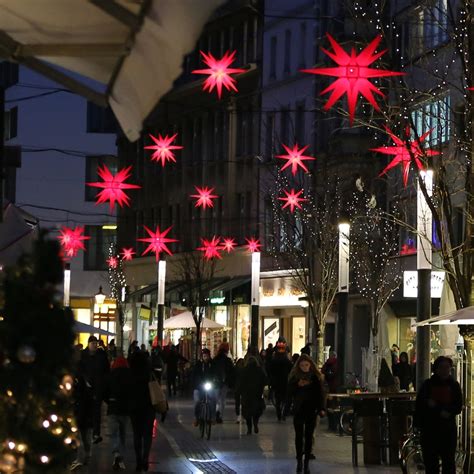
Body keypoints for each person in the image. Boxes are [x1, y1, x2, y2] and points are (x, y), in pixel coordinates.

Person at [414, 356, 462, 474]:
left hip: (447, 430)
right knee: (431, 463)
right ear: (436, 369)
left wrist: (443, 410)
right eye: (442, 367)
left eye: (447, 368)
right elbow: (420, 405)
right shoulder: (428, 385)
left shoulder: (454, 385)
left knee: (448, 462)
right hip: (430, 430)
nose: (445, 370)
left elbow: (458, 406)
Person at [287, 354, 326, 474]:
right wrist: (297, 386)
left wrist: (321, 408)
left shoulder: (315, 378)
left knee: (309, 436)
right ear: (298, 366)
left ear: (310, 365)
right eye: (302, 365)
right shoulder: (294, 378)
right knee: (299, 436)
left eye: (307, 365)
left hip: (311, 410)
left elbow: (320, 394)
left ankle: (306, 463)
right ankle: (299, 461)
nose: (304, 367)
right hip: (299, 410)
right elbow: (289, 393)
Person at [104, 355, 133, 471]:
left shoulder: (110, 375)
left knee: (113, 433)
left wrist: (109, 400)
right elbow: (132, 392)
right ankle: (120, 455)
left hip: (113, 408)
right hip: (125, 410)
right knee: (123, 433)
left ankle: (116, 453)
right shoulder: (130, 376)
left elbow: (104, 391)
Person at [79, 335, 110, 444]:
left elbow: (107, 370)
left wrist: (104, 382)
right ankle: (87, 433)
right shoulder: (83, 355)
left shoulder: (101, 355)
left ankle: (96, 434)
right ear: (89, 344)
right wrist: (85, 380)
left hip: (98, 387)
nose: (95, 346)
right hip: (85, 389)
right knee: (87, 411)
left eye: (96, 344)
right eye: (93, 344)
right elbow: (80, 369)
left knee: (97, 411)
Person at [129, 351, 155, 472]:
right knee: (147, 434)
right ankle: (145, 459)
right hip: (148, 407)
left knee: (137, 435)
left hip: (134, 407)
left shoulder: (130, 373)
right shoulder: (148, 373)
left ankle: (139, 460)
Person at [238, 355, 266, 435]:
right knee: (257, 410)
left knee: (247, 413)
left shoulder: (244, 370)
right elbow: (265, 380)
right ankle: (255, 422)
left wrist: (239, 392)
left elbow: (240, 382)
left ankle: (249, 428)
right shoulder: (259, 370)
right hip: (257, 394)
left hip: (246, 394)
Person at [191, 348, 216, 426]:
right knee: (197, 401)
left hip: (209, 385)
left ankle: (212, 418)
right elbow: (194, 375)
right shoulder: (198, 364)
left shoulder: (213, 364)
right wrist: (196, 383)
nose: (206, 357)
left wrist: (216, 380)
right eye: (204, 356)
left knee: (212, 400)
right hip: (199, 387)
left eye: (207, 356)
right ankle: (196, 418)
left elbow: (216, 373)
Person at [269, 340, 293, 421]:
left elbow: (270, 370)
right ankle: (283, 413)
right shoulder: (286, 360)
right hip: (285, 382)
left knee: (278, 399)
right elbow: (291, 369)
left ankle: (279, 413)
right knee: (285, 399)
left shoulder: (274, 360)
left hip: (276, 382)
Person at [213, 342, 235, 423]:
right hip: (224, 383)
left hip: (215, 382)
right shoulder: (228, 360)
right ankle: (220, 415)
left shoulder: (215, 359)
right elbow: (232, 372)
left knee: (216, 399)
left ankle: (216, 412)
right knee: (222, 400)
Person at [234, 358, 245, 423]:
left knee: (237, 402)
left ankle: (239, 416)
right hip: (243, 388)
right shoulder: (245, 369)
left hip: (237, 388)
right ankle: (242, 415)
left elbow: (233, 378)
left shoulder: (236, 369)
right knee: (243, 402)